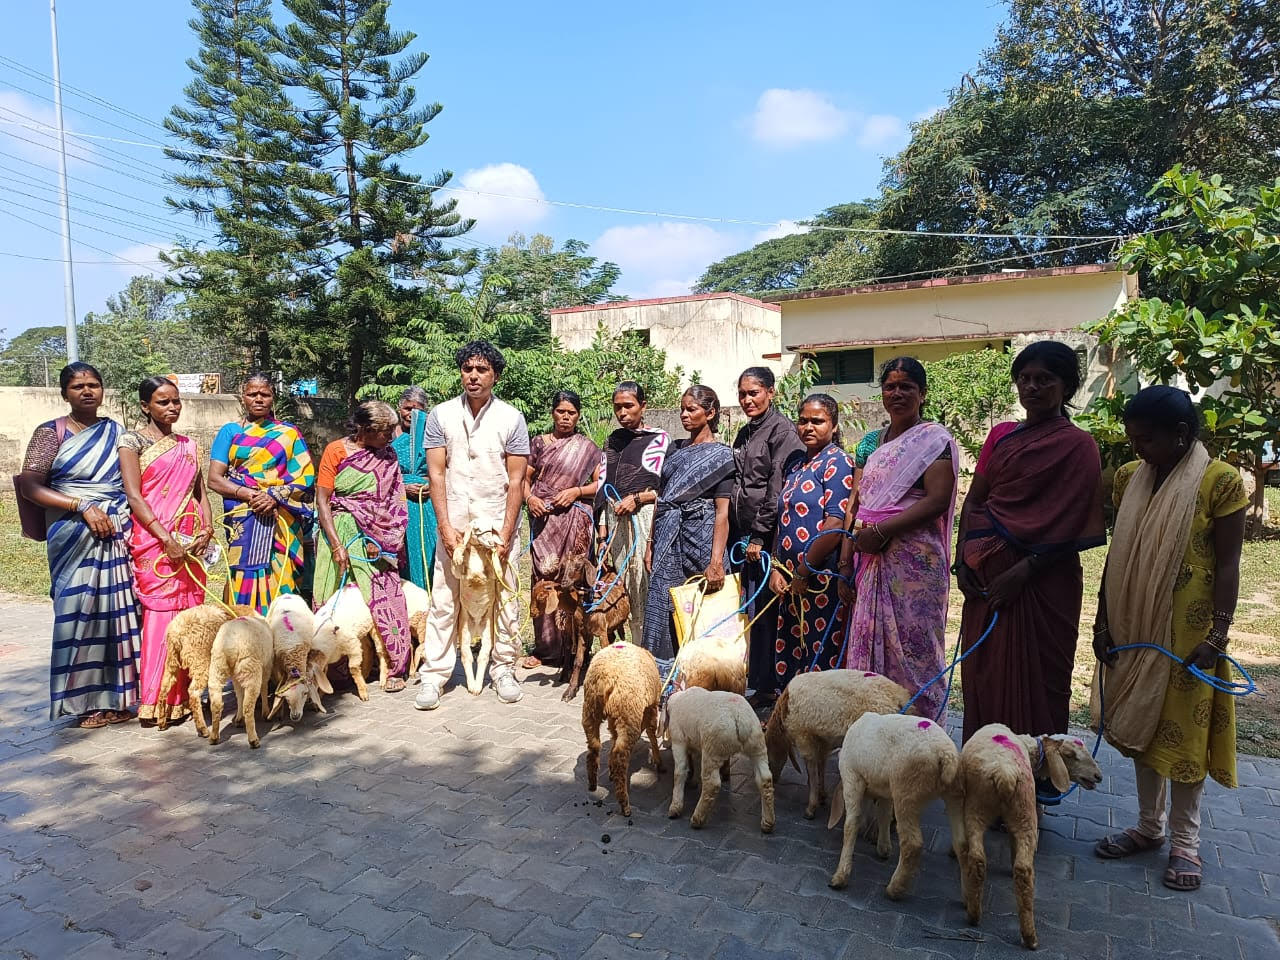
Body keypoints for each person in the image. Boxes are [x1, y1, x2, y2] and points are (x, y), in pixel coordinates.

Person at [1091, 386, 1246, 893]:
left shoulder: (1219, 483)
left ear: (1181, 435)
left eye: (1147, 439)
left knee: (1184, 739)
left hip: (1190, 637)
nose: (1138, 449)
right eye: (1133, 439)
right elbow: (1119, 555)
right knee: (1143, 727)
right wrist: (1102, 620)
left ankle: (1185, 844)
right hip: (1134, 625)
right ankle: (1148, 827)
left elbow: (1228, 565)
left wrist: (1218, 635)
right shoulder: (1130, 478)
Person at [955, 340, 1106, 742]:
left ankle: (1035, 782)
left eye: (1045, 379)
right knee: (986, 676)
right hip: (986, 581)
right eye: (1025, 379)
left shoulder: (1079, 446)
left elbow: (1074, 523)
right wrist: (961, 561)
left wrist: (1024, 570)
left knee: (1041, 679)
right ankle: (987, 774)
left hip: (1044, 583)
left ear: (1067, 386)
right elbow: (976, 499)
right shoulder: (1002, 436)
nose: (1033, 387)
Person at [16, 363, 139, 727]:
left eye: (94, 385)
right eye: (78, 386)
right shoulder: (50, 432)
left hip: (114, 532)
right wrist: (81, 505)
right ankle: (83, 702)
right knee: (77, 614)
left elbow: (132, 482)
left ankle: (119, 698)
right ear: (64, 393)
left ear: (103, 390)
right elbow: (30, 486)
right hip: (71, 536)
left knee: (117, 614)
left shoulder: (116, 432)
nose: (87, 391)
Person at [838, 358, 958, 719]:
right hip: (872, 559)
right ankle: (874, 732)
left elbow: (937, 500)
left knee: (915, 648)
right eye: (890, 386)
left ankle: (920, 727)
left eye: (906, 386)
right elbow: (859, 505)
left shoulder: (933, 440)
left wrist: (882, 531)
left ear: (922, 393)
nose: (897, 393)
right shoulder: (876, 443)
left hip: (914, 565)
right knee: (874, 646)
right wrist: (849, 558)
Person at [415, 341, 530, 710]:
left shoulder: (511, 418)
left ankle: (503, 670)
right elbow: (435, 473)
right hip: (456, 525)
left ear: (494, 375)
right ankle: (434, 676)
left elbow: (517, 480)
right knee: (445, 600)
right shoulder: (441, 415)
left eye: (481, 370)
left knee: (505, 599)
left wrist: (508, 532)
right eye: (468, 369)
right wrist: (445, 528)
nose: (473, 376)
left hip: (497, 522)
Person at [118, 376, 214, 724]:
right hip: (156, 543)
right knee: (161, 619)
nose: (172, 408)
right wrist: (165, 539)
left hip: (191, 544)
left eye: (175, 401)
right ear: (146, 406)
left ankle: (189, 696)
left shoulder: (188, 444)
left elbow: (199, 492)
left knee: (191, 616)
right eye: (162, 402)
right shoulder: (132, 442)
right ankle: (157, 700)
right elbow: (134, 496)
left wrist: (207, 527)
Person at [313, 401, 413, 692]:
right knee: (333, 600)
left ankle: (396, 667)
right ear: (364, 430)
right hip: (341, 532)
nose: (391, 438)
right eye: (384, 432)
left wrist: (384, 541)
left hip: (377, 537)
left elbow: (394, 499)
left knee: (386, 599)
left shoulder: (388, 454)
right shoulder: (336, 451)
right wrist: (335, 545)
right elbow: (323, 500)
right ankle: (335, 670)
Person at [642, 386, 735, 668]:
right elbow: (662, 499)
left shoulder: (723, 457)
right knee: (662, 604)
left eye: (691, 409)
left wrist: (717, 560)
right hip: (668, 540)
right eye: (682, 408)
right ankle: (663, 676)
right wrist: (650, 544)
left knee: (706, 611)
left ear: (710, 412)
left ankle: (708, 677)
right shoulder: (674, 450)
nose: (684, 414)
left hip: (702, 539)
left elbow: (722, 512)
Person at [207, 374, 316, 615]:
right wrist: (251, 495)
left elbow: (306, 478)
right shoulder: (230, 431)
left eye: (265, 394)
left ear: (272, 397)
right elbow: (214, 479)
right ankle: (243, 627)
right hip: (245, 516)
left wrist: (274, 496)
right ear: (242, 397)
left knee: (281, 573)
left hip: (281, 519)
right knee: (242, 573)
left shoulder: (289, 434)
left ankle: (281, 633)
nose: (258, 399)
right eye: (252, 394)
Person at [769, 394, 854, 690]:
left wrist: (804, 570)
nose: (808, 427)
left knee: (820, 650)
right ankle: (794, 721)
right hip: (791, 580)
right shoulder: (796, 465)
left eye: (817, 421)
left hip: (820, 578)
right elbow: (783, 519)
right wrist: (777, 568)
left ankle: (821, 725)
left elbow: (836, 523)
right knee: (795, 647)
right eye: (803, 420)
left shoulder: (838, 462)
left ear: (833, 425)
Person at [732, 367, 805, 705]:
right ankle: (760, 682)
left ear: (771, 392)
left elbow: (777, 489)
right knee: (754, 610)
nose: (747, 400)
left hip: (771, 538)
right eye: (743, 394)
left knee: (772, 611)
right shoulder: (746, 433)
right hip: (745, 537)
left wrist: (760, 535)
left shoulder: (783, 432)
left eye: (754, 393)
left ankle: (777, 685)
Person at [523, 390, 600, 668]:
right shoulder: (538, 444)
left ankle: (574, 648)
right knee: (543, 578)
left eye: (571, 413)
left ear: (578, 416)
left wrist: (576, 492)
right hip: (544, 520)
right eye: (560, 411)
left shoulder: (588, 448)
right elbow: (523, 478)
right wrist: (530, 498)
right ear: (552, 412)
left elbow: (598, 485)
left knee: (571, 580)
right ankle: (545, 649)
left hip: (574, 519)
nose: (565, 417)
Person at [596, 381, 670, 644]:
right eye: (618, 407)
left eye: (629, 406)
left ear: (643, 406)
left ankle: (647, 654)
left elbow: (666, 490)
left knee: (643, 585)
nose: (623, 412)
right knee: (620, 586)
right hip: (615, 523)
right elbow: (605, 491)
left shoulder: (659, 440)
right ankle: (625, 652)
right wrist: (602, 537)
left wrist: (638, 498)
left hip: (644, 521)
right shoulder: (612, 442)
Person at [392, 386, 437, 592]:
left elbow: (442, 468)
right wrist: (402, 486)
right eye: (407, 408)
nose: (412, 413)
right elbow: (382, 473)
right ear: (400, 409)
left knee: (428, 550)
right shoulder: (390, 435)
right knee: (404, 554)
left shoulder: (432, 437)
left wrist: (429, 483)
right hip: (397, 504)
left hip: (427, 504)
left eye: (418, 409)